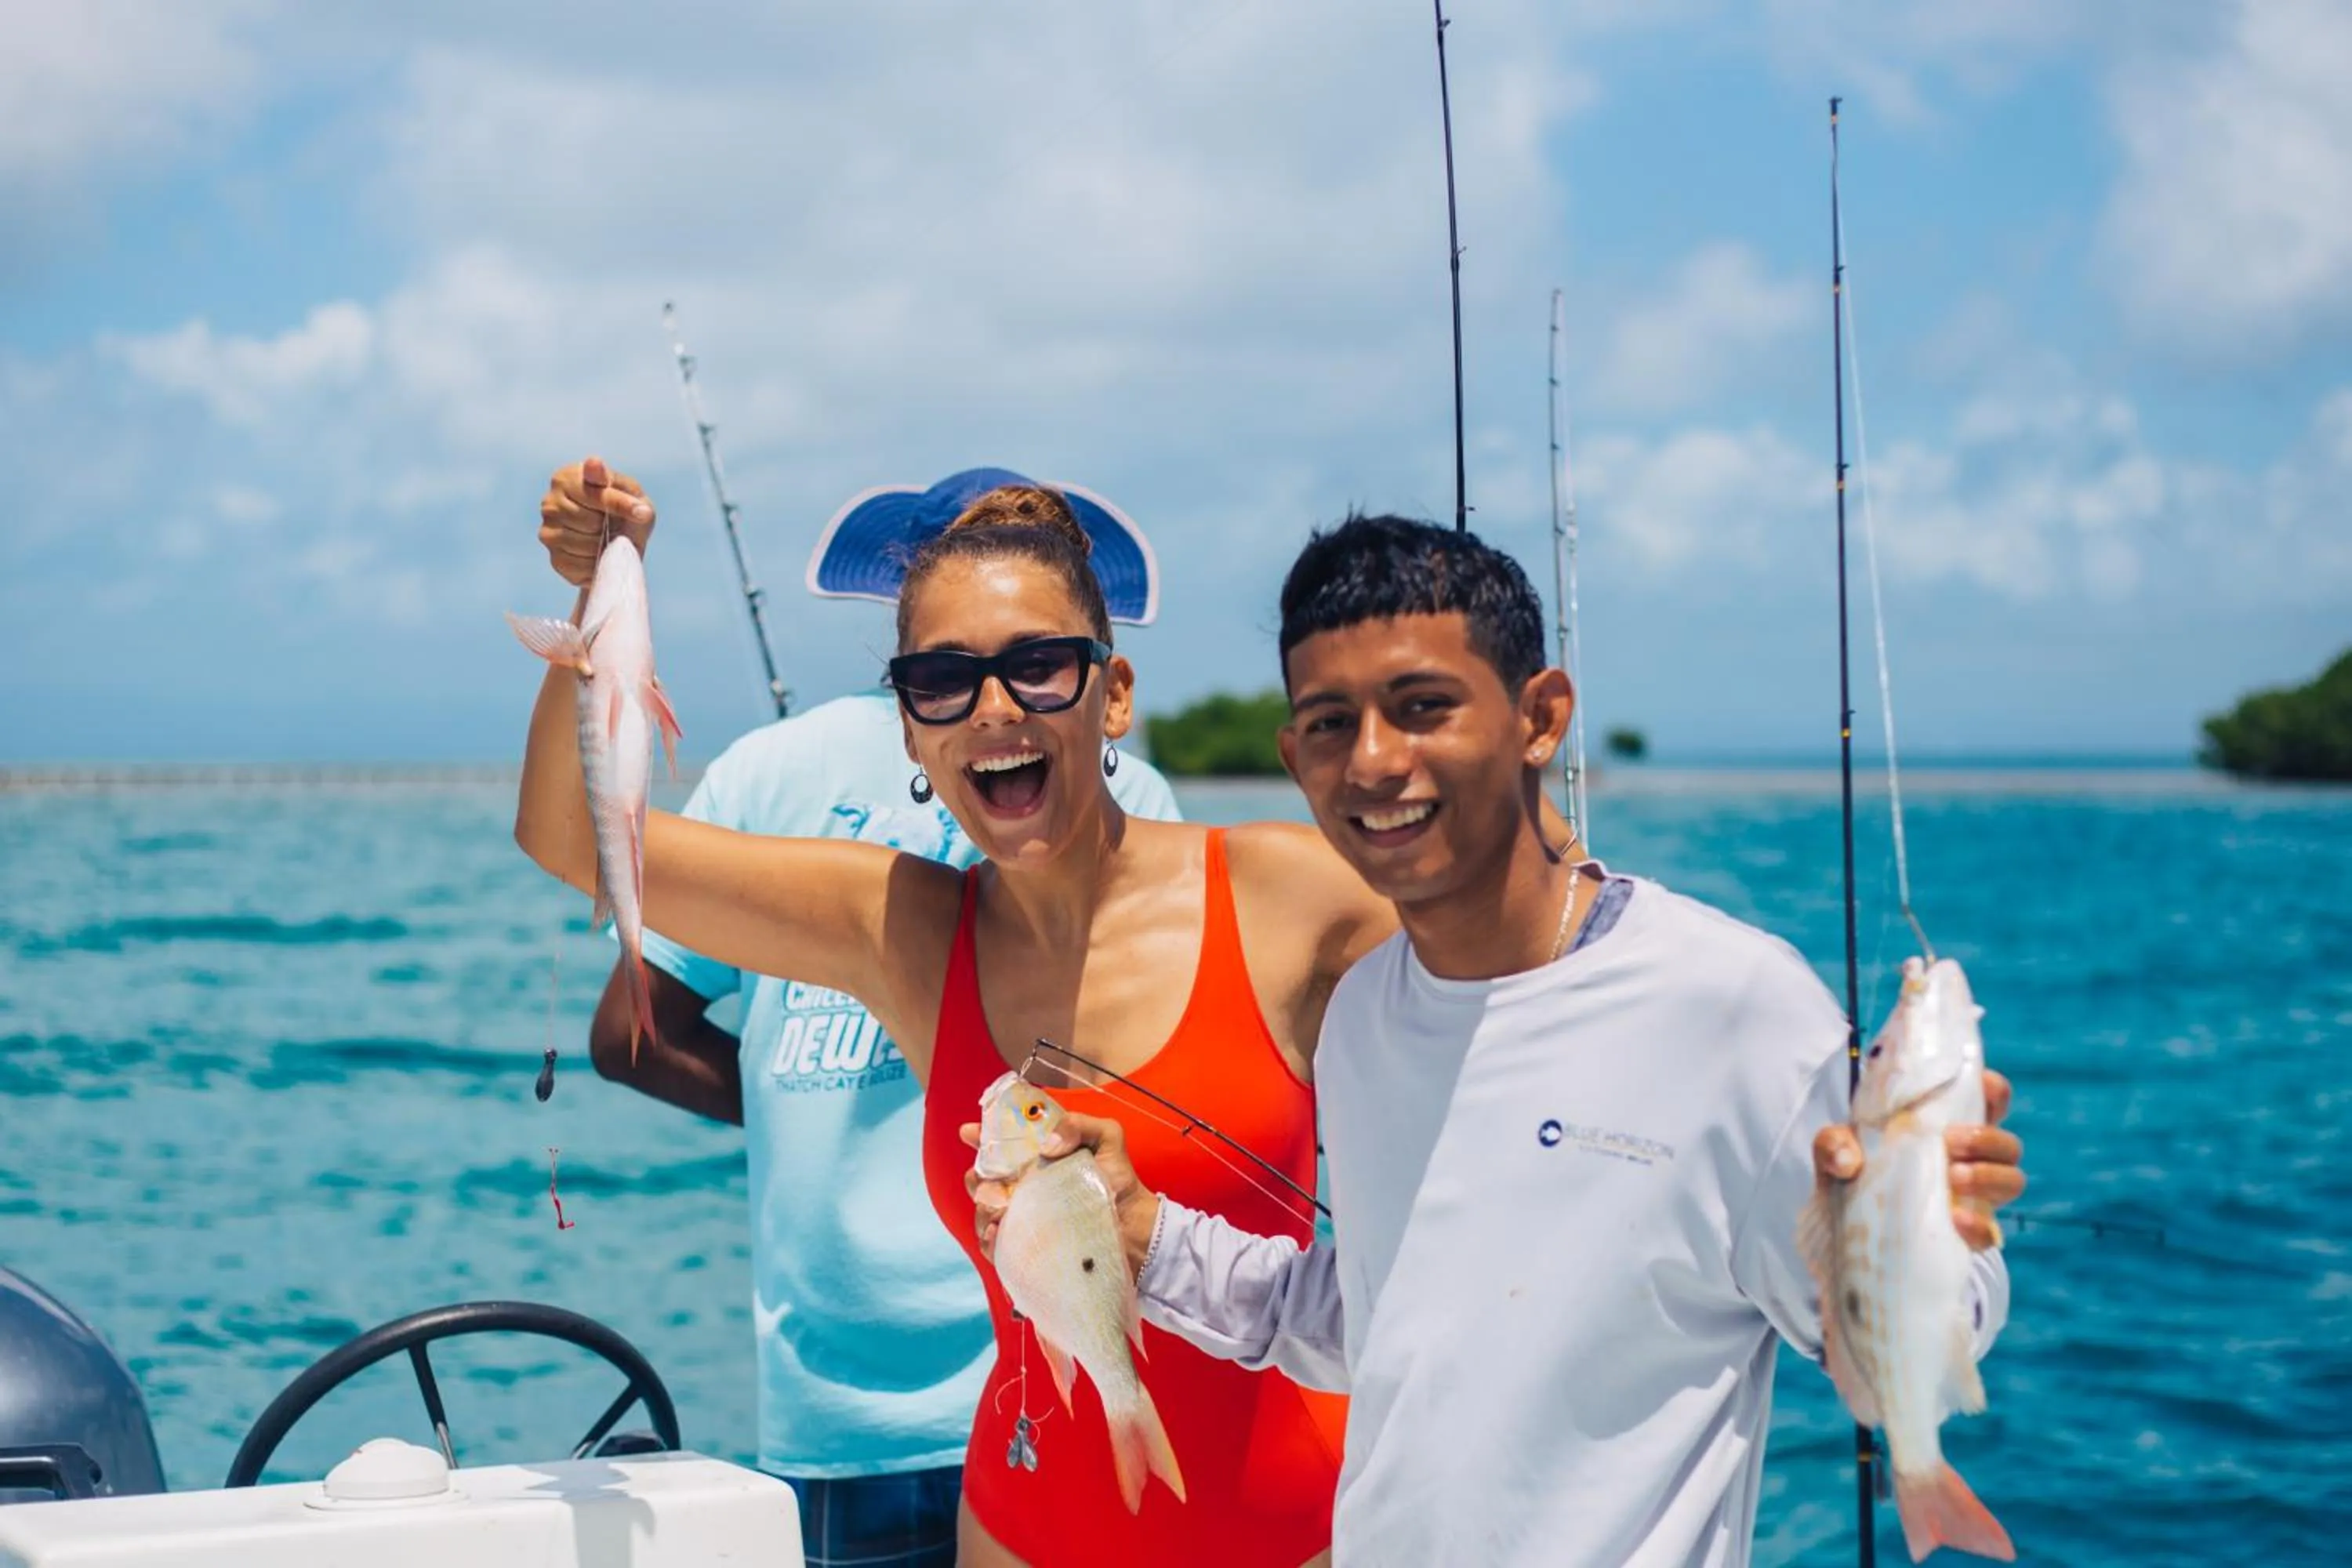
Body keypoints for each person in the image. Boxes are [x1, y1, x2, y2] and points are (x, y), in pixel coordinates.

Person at [967, 513, 2030, 1567]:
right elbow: (1377, 1323)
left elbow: (1874, 1356)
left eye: (1423, 707)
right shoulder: (1367, 1016)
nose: (1375, 762)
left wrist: (1938, 1228)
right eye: (1331, 724)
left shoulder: (1735, 1007)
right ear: (1294, 754)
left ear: (1541, 716)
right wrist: (1146, 1234)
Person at [517, 458, 1405, 1566]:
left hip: (1297, 1537)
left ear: (1113, 692)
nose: (993, 709)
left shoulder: (1294, 898)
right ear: (908, 726)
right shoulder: (901, 933)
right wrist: (600, 593)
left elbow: (1524, 988)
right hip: (1014, 1532)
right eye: (942, 679)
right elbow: (568, 828)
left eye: (1039, 667)